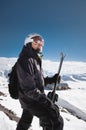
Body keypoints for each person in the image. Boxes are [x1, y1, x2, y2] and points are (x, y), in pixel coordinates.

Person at [16, 33, 64, 130]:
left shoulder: (34, 59)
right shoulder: (26, 60)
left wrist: (51, 79)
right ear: (28, 43)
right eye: (36, 42)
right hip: (31, 100)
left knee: (26, 120)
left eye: (41, 43)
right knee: (54, 121)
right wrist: (47, 102)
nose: (39, 45)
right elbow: (29, 89)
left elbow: (37, 81)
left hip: (29, 98)